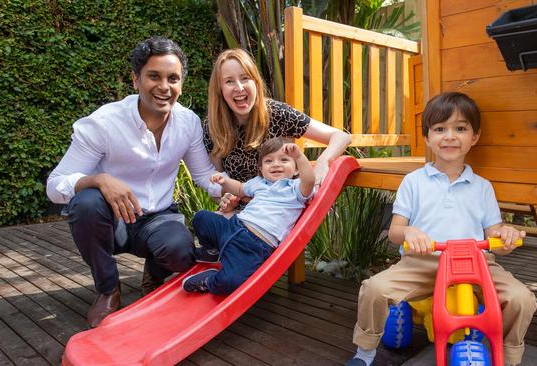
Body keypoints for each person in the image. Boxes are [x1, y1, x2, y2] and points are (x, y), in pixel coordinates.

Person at [346, 92, 537, 366]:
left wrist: (504, 236)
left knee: (521, 299)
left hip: (477, 263)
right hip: (423, 262)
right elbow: (395, 232)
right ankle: (364, 352)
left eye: (460, 128)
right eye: (440, 129)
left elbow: (494, 232)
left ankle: (506, 356)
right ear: (427, 137)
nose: (449, 136)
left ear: (474, 137)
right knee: (374, 288)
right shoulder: (414, 182)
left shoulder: (482, 186)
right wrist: (410, 232)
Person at [46, 36, 221, 328]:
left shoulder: (188, 122)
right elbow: (55, 185)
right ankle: (107, 289)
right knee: (86, 202)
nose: (164, 87)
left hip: (159, 219)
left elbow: (203, 174)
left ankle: (154, 272)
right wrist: (99, 180)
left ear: (181, 84)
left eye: (173, 78)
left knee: (181, 251)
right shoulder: (104, 123)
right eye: (154, 76)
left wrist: (239, 191)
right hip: (113, 222)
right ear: (135, 79)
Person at [203, 48, 351, 214]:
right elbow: (219, 181)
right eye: (229, 81)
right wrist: (226, 197)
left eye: (245, 78)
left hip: (280, 212)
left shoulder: (276, 113)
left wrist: (324, 161)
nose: (239, 87)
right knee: (206, 222)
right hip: (242, 212)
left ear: (255, 82)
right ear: (220, 90)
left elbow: (341, 136)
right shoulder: (213, 126)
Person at [182, 137, 314, 295]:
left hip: (254, 247)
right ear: (261, 168)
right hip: (233, 226)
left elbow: (310, 180)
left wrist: (299, 156)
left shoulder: (295, 189)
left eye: (284, 160)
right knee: (201, 218)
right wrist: (224, 181)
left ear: (296, 169)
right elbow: (239, 188)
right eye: (269, 161)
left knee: (230, 282)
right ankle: (212, 251)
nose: (276, 164)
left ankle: (210, 280)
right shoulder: (258, 182)